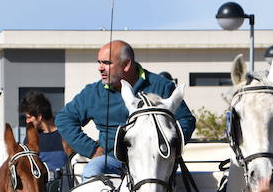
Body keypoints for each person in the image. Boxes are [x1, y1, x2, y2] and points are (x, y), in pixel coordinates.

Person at [55, 40, 196, 180]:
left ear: (126, 65)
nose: (100, 68)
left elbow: (186, 120)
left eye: (107, 63)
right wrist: (91, 149)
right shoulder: (93, 93)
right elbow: (64, 119)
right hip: (111, 161)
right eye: (99, 62)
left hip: (154, 163)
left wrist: (168, 146)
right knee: (92, 171)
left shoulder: (161, 86)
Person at [19, 91, 71, 173]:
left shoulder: (66, 134)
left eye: (29, 117)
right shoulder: (30, 139)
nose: (27, 121)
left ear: (39, 116)